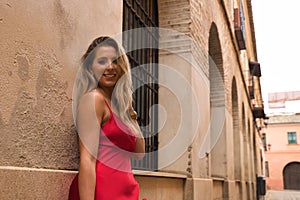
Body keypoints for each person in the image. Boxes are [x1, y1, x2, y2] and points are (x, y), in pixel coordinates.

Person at [69, 36, 145, 200]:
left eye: (115, 61)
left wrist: (129, 109)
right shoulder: (93, 99)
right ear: (90, 68)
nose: (110, 67)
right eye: (102, 61)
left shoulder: (121, 107)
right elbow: (87, 159)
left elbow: (139, 153)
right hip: (101, 192)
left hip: (126, 192)